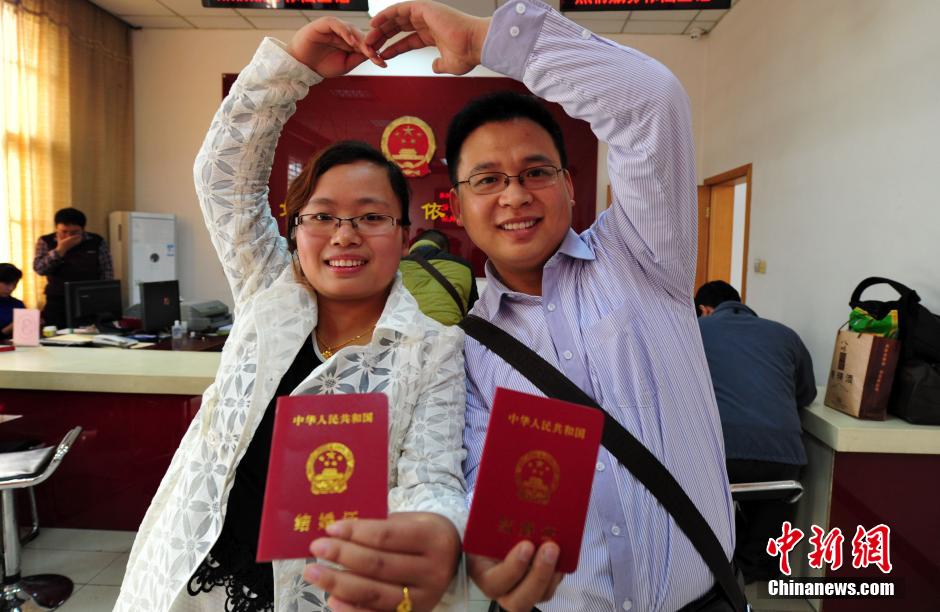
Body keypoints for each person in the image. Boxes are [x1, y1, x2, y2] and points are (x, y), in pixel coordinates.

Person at [338, 2, 736, 611]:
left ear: (569, 185)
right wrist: (473, 558)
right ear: (458, 206)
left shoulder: (643, 256)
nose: (515, 195)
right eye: (487, 179)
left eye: (535, 172)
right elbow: (474, 488)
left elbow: (650, 101)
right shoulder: (468, 352)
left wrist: (486, 39)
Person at [115, 18, 468, 612]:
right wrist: (292, 72)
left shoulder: (432, 348)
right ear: (296, 230)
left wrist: (434, 530)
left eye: (371, 217)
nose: (344, 235)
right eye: (322, 216)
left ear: (405, 236)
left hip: (318, 589)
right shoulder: (269, 294)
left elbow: (432, 476)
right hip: (191, 571)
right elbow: (223, 178)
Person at [695, 280, 816, 583]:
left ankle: (716, 581)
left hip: (717, 457)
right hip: (783, 463)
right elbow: (806, 394)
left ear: (704, 310)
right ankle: (753, 576)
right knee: (761, 544)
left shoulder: (695, 330)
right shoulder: (786, 335)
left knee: (707, 522)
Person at [32, 206, 114, 328]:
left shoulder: (96, 241)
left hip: (89, 299)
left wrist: (104, 299)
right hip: (57, 299)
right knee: (56, 335)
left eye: (74, 232)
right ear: (56, 228)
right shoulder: (46, 241)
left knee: (88, 335)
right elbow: (40, 269)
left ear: (83, 229)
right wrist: (60, 249)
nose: (68, 236)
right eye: (63, 231)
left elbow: (107, 271)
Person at [400, 229, 478, 325]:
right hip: (450, 332)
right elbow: (474, 313)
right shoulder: (464, 267)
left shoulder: (397, 266)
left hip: (405, 331)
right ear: (444, 249)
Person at [0, 263, 26, 339]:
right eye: (7, 284)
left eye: (14, 284)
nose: (11, 288)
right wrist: (11, 327)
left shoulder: (18, 304)